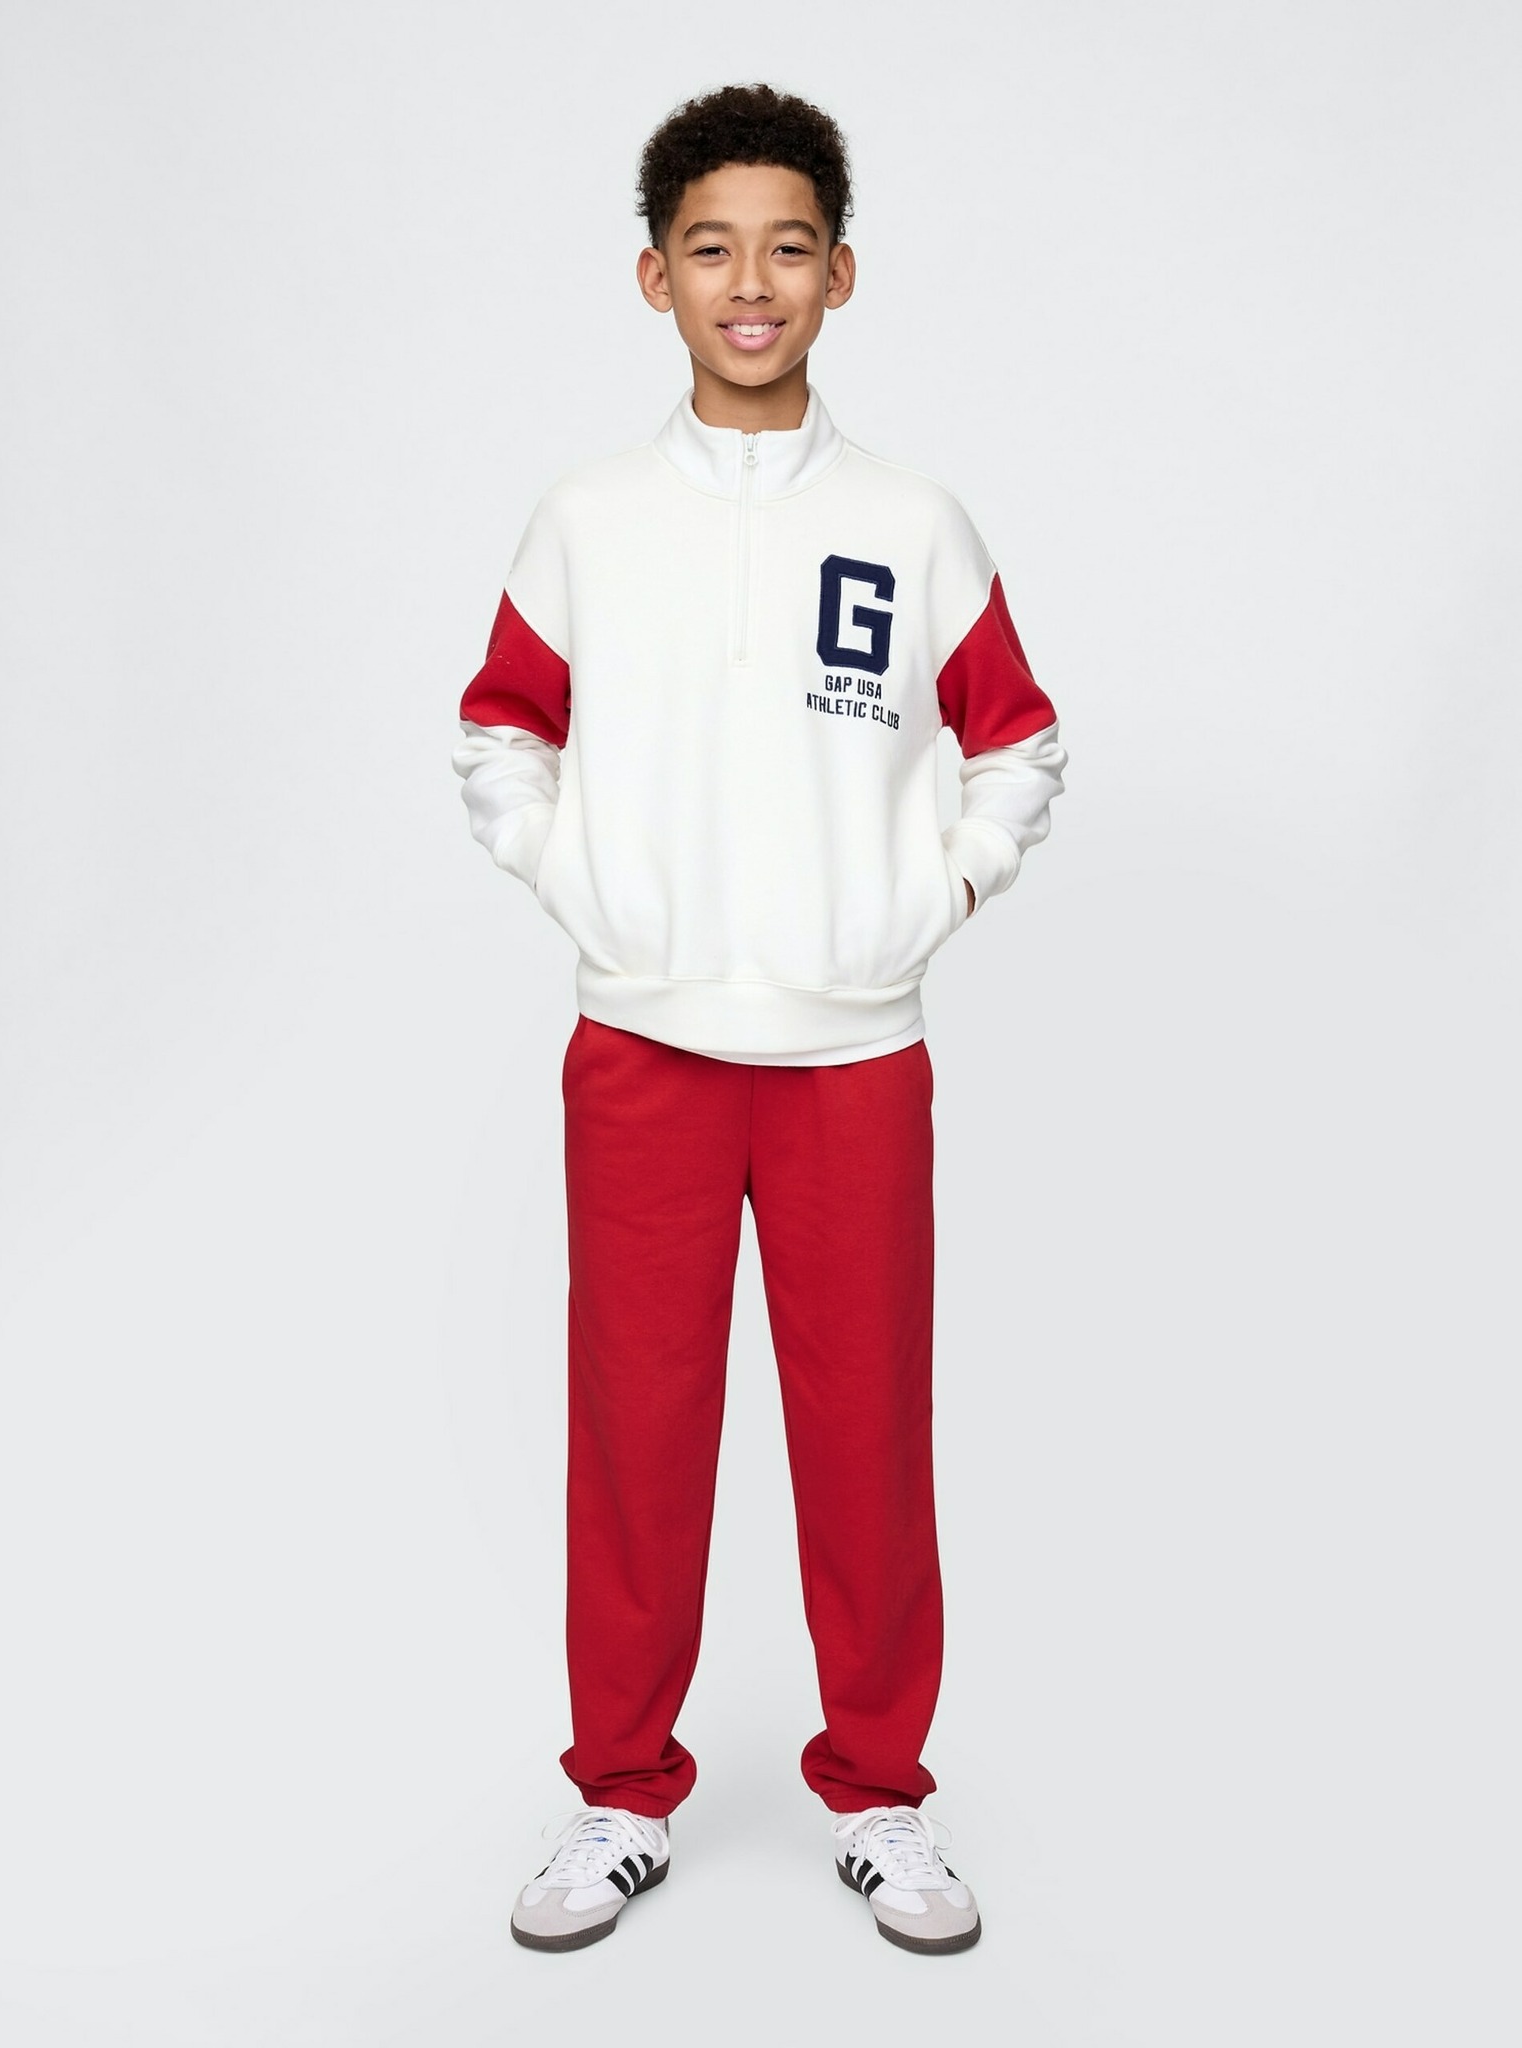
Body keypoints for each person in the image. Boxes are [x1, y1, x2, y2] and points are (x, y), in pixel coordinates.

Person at [451, 82, 1068, 1957]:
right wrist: (587, 889)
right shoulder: (588, 518)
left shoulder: (910, 520)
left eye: (787, 248)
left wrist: (928, 898)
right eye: (710, 248)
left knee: (865, 1431)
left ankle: (882, 1795)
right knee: (637, 1432)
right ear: (654, 276)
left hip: (852, 1054)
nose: (750, 282)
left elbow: (1018, 744)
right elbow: (500, 732)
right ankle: (621, 1793)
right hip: (640, 1048)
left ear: (840, 275)